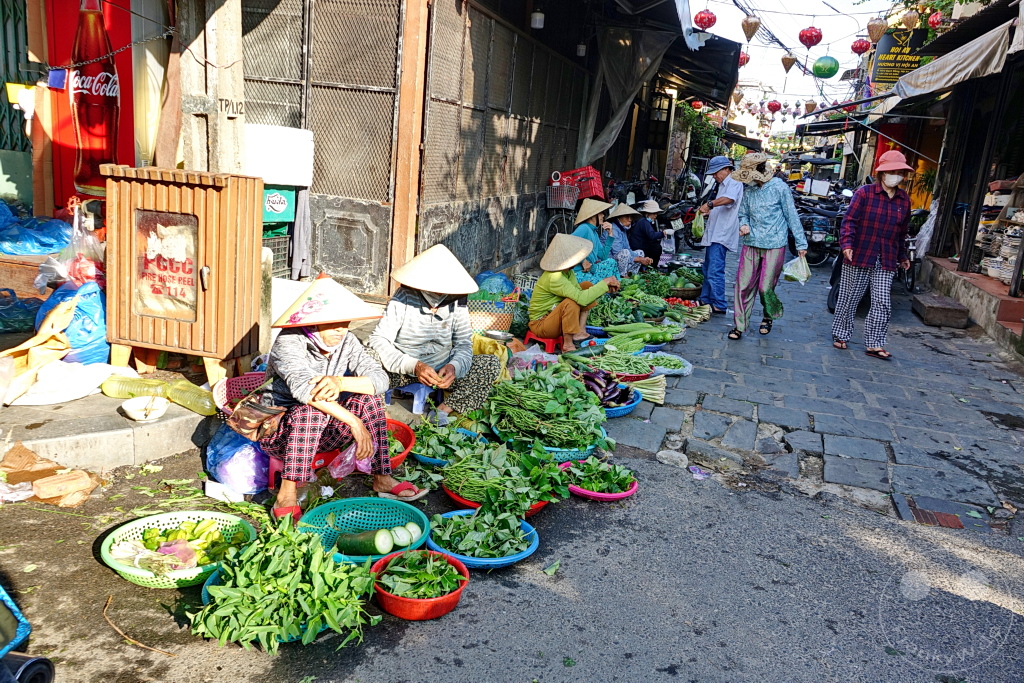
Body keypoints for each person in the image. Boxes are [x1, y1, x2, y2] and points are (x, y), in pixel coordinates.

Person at [260, 276, 426, 522]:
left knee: (368, 400)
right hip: (280, 434)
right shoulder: (289, 340)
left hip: (326, 432)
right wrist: (356, 424)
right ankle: (286, 494)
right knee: (310, 410)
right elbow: (306, 391)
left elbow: (380, 379)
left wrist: (341, 382)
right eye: (333, 323)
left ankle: (382, 477)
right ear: (313, 323)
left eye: (344, 322)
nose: (341, 329)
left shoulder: (348, 341)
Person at [368, 244, 501, 424]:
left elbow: (463, 344)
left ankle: (441, 411)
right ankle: (381, 415)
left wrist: (454, 366)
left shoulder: (457, 300)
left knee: (490, 364)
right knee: (367, 357)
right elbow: (379, 339)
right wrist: (414, 365)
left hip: (441, 370)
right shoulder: (404, 296)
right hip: (402, 369)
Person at [830, 150, 913, 360]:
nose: (896, 175)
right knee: (849, 297)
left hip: (886, 258)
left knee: (882, 301)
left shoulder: (904, 200)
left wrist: (902, 256)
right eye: (891, 171)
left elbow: (902, 232)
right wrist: (847, 243)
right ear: (882, 173)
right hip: (859, 254)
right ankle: (841, 334)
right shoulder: (865, 193)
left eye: (899, 171)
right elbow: (849, 221)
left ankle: (875, 343)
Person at [729, 152, 807, 340]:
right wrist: (743, 224)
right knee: (743, 285)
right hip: (751, 243)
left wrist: (800, 242)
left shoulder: (779, 188)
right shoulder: (749, 191)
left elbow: (791, 215)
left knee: (765, 287)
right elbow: (743, 214)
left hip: (775, 243)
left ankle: (768, 315)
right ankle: (740, 325)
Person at [529, 234, 619, 352]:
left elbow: (580, 292)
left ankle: (580, 332)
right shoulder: (554, 277)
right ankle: (568, 345)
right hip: (541, 324)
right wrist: (604, 282)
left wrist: (605, 288)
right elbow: (580, 299)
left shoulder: (567, 272)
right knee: (571, 303)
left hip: (555, 315)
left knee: (585, 286)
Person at [697, 156, 743, 315]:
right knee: (708, 267)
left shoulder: (734, 182)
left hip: (721, 234)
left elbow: (730, 199)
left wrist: (710, 204)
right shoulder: (723, 184)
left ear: (726, 169)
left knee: (715, 269)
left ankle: (719, 303)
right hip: (715, 232)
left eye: (716, 173)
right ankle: (706, 299)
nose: (714, 176)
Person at [570, 198, 620, 284]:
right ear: (593, 215)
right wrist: (583, 261)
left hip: (591, 270)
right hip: (579, 272)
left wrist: (610, 235)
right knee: (600, 284)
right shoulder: (584, 228)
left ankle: (616, 287)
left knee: (611, 262)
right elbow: (568, 243)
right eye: (601, 213)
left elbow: (603, 256)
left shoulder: (594, 233)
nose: (603, 216)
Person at [607, 202, 653, 276]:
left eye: (631, 217)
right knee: (625, 253)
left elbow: (628, 248)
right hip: (608, 259)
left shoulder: (622, 229)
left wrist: (642, 258)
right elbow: (617, 252)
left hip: (618, 257)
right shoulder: (613, 229)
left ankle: (631, 275)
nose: (629, 220)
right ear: (618, 218)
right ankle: (622, 276)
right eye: (626, 217)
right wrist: (639, 259)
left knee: (640, 253)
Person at [629, 199, 674, 268]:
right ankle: (652, 267)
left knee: (656, 245)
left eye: (656, 213)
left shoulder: (645, 221)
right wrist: (664, 232)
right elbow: (652, 235)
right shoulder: (644, 222)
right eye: (653, 213)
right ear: (647, 213)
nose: (655, 215)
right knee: (657, 248)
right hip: (638, 246)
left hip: (642, 244)